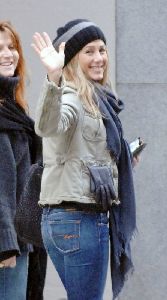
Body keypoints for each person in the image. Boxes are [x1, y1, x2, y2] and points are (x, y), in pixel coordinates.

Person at [32, 19, 137, 300]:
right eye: (89, 51)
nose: (99, 58)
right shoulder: (72, 95)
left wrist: (120, 160)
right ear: (72, 59)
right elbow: (48, 127)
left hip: (71, 220)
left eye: (102, 50)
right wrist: (53, 77)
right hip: (78, 219)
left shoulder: (98, 99)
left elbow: (84, 151)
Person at [0, 21, 47, 300]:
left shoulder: (14, 108)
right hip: (8, 243)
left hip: (21, 237)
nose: (9, 54)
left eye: (11, 46)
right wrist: (5, 243)